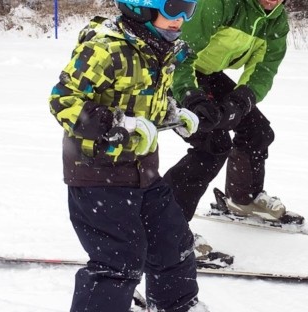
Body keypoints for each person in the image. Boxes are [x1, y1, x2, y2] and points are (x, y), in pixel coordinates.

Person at [46, 0, 207, 311]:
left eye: (189, 8)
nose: (181, 19)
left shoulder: (161, 47)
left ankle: (175, 306)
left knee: (173, 244)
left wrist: (173, 114)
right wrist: (116, 124)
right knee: (119, 260)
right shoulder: (106, 49)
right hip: (97, 174)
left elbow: (144, 102)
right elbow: (63, 99)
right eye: (174, 8)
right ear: (140, 7)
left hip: (144, 171)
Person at [163, 0, 301, 264]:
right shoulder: (221, 4)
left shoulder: (276, 20)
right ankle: (165, 227)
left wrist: (242, 100)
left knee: (257, 131)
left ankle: (242, 199)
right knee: (212, 147)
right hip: (172, 73)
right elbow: (179, 52)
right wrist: (191, 97)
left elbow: (264, 68)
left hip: (207, 74)